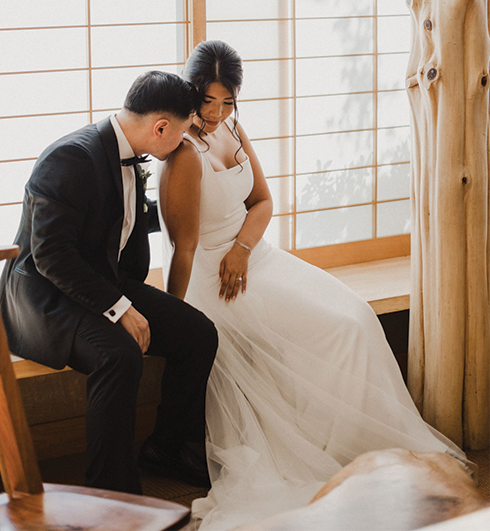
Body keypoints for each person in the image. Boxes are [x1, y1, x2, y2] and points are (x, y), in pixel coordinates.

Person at [160, 39, 466, 531]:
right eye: (207, 99)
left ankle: (361, 447)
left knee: (356, 317)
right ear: (190, 91)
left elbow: (262, 201)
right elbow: (184, 248)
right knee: (333, 331)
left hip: (252, 255)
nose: (216, 112)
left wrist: (242, 248)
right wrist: (174, 315)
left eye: (227, 100)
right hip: (213, 280)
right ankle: (331, 453)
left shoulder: (233, 129)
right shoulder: (182, 155)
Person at [0, 71, 219, 495]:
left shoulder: (133, 154)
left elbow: (124, 227)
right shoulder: (69, 159)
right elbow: (51, 256)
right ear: (161, 128)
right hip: (45, 297)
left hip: (99, 282)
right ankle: (112, 491)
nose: (185, 143)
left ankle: (165, 448)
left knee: (199, 333)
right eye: (185, 132)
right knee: (118, 354)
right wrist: (120, 308)